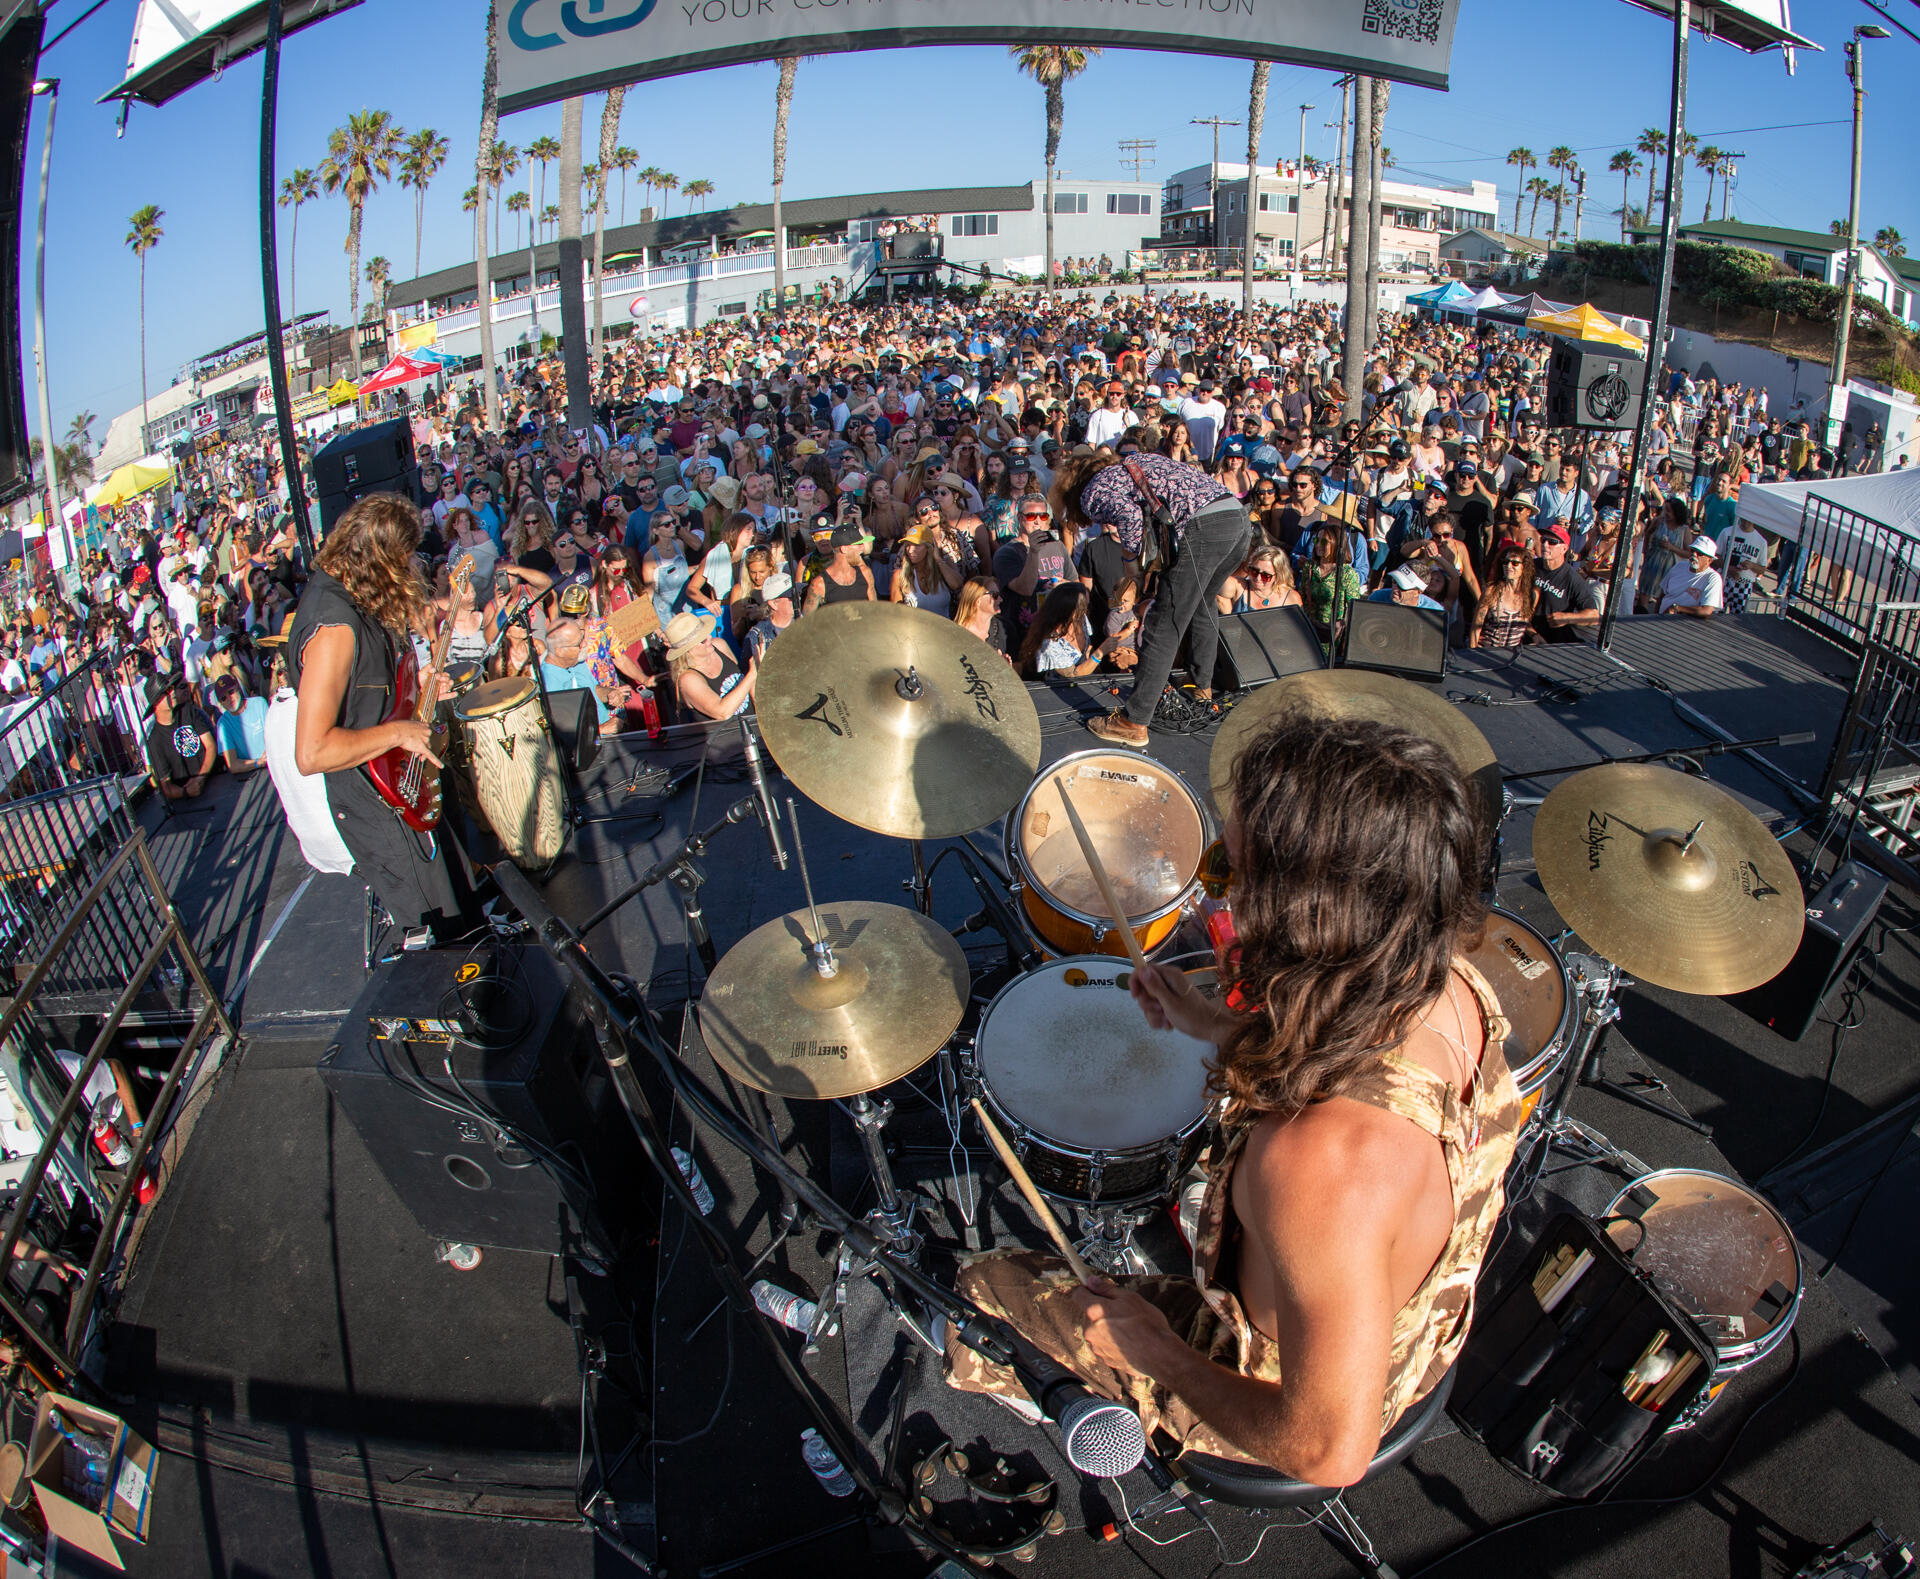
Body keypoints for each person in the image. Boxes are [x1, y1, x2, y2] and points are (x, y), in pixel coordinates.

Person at [948, 716, 1522, 1481]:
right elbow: (1336, 1056)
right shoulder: (1448, 982)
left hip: (1289, 1399)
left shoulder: (1321, 1161)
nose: (1215, 888)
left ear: (1306, 908)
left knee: (979, 1288)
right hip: (1417, 1336)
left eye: (1229, 870)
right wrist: (1208, 1023)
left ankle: (1100, 1413)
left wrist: (1156, 1350)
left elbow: (1328, 1449)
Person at [288, 493, 476, 945]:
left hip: (401, 774)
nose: (411, 567)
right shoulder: (334, 627)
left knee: (460, 902)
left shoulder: (359, 599)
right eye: (405, 557)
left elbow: (371, 696)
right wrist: (398, 730)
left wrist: (420, 685)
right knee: (434, 928)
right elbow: (312, 752)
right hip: (374, 797)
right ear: (382, 559)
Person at [1059, 451, 1250, 747]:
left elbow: (1129, 515)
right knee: (1203, 604)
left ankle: (1133, 722)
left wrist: (1131, 568)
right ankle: (1202, 691)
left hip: (1205, 526)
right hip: (1236, 519)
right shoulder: (1135, 462)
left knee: (1164, 623)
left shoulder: (1093, 488)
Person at [662, 610, 756, 721]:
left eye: (707, 633)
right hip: (727, 736)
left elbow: (747, 686)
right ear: (688, 650)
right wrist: (752, 674)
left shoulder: (719, 645)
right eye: (703, 640)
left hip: (753, 724)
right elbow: (722, 713)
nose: (709, 638)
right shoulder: (688, 679)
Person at [144, 674, 214, 800]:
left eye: (171, 688)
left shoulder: (188, 711)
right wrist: (186, 792)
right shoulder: (154, 741)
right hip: (187, 802)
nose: (172, 692)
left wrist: (201, 777)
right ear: (155, 702)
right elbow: (166, 786)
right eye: (166, 692)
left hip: (214, 780)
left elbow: (210, 745)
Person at [1530, 525, 1600, 643]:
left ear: (1564, 549)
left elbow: (1594, 616)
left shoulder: (1571, 578)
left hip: (1553, 642)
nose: (1545, 545)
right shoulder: (1531, 566)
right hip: (1527, 633)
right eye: (1543, 540)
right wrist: (1532, 634)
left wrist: (1566, 618)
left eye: (1552, 542)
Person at [212, 673, 269, 774]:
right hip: (249, 774)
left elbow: (274, 737)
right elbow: (233, 765)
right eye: (223, 698)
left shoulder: (259, 703)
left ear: (238, 688)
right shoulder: (223, 724)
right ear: (220, 703)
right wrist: (258, 762)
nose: (229, 698)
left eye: (231, 692)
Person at [1657, 535, 1725, 618]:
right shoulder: (1679, 566)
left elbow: (1706, 611)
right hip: (1661, 618)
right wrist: (1654, 616)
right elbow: (1662, 594)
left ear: (1709, 560)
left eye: (1699, 553)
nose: (1694, 555)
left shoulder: (1713, 578)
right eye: (1693, 551)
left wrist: (1677, 608)